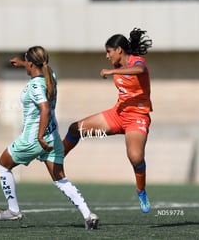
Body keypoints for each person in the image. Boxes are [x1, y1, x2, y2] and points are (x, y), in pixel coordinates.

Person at [0, 46, 99, 230]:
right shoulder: (52, 77)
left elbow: (45, 109)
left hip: (33, 139)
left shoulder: (35, 86)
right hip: (53, 138)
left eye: (26, 61)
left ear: (32, 64)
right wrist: (21, 63)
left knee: (3, 165)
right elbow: (41, 71)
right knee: (60, 180)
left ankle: (13, 210)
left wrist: (40, 136)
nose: (24, 65)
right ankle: (88, 214)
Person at [63, 28, 153, 213]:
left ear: (119, 50)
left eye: (109, 51)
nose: (107, 55)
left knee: (135, 157)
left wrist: (112, 71)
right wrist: (115, 71)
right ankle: (57, 159)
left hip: (137, 118)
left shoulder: (137, 61)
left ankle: (141, 191)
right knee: (75, 129)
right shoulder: (118, 67)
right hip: (118, 114)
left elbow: (139, 70)